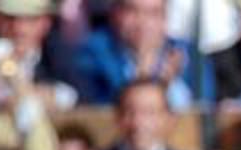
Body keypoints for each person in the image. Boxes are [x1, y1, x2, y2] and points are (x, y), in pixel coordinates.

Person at [74, 0, 209, 109]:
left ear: (165, 18)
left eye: (152, 13)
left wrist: (173, 86)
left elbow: (206, 107)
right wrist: (143, 78)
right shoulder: (93, 52)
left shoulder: (189, 54)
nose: (142, 22)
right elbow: (98, 109)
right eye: (132, 11)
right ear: (115, 13)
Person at [0, 0, 85, 112]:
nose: (18, 28)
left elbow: (80, 98)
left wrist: (40, 96)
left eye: (29, 19)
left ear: (46, 22)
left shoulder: (59, 58)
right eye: (9, 18)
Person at [95, 77, 196, 150]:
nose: (138, 122)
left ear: (169, 119)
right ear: (117, 117)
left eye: (149, 112)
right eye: (130, 112)